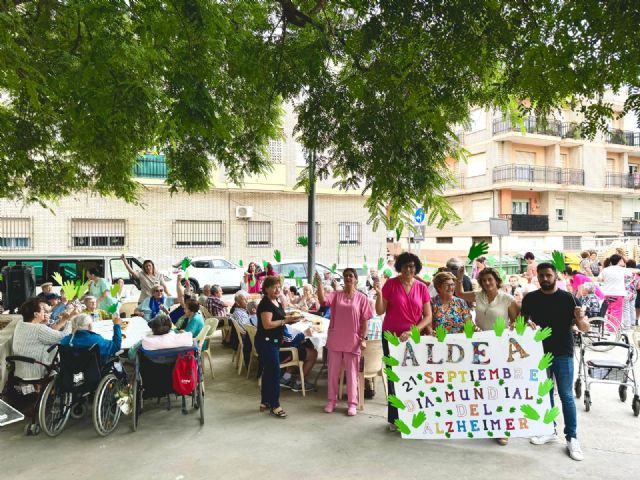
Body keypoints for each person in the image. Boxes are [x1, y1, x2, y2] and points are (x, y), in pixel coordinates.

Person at [521, 262, 590, 461]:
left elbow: (584, 327)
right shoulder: (531, 299)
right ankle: (549, 430)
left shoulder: (568, 298)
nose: (544, 279)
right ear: (537, 276)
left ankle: (572, 438)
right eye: (541, 275)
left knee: (567, 396)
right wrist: (527, 325)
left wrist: (580, 317)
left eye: (548, 275)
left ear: (555, 276)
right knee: (546, 394)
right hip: (539, 354)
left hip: (563, 352)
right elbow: (521, 323)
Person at [374, 252, 432, 431]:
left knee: (413, 377)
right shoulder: (391, 284)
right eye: (406, 266)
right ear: (400, 267)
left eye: (413, 267)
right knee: (394, 378)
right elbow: (379, 311)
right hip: (391, 338)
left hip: (413, 339)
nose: (409, 269)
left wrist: (413, 331)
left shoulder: (422, 288)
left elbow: (428, 316)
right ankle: (394, 418)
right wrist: (378, 294)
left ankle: (412, 415)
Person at [317, 268, 372, 416]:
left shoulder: (362, 298)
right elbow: (322, 300)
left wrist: (363, 339)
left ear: (356, 279)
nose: (348, 278)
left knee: (352, 374)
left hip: (353, 341)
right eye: (346, 276)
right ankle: (331, 401)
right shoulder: (336, 295)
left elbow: (365, 322)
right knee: (333, 373)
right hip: (335, 339)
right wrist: (319, 284)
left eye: (351, 276)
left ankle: (352, 404)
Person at [255, 276, 298, 418]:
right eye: (274, 287)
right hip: (266, 342)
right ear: (266, 289)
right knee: (274, 373)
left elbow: (279, 319)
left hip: (274, 341)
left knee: (268, 372)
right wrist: (285, 320)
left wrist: (289, 320)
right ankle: (275, 405)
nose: (277, 289)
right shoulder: (265, 304)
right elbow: (267, 324)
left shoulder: (277, 302)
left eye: (278, 287)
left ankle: (265, 401)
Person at [11, 298, 73, 380]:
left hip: (21, 371)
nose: (45, 313)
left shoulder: (20, 324)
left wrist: (42, 323)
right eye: (43, 310)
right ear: (36, 314)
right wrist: (69, 320)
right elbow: (64, 338)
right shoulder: (39, 329)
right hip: (37, 371)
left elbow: (46, 335)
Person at [128, 313, 194, 361]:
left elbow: (131, 354)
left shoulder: (146, 341)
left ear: (153, 329)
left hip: (150, 375)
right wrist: (183, 333)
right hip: (177, 374)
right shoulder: (184, 338)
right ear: (170, 327)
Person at [598, 254, 628, 331]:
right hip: (618, 293)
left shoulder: (605, 270)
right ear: (619, 260)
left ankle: (609, 326)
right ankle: (613, 329)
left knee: (610, 310)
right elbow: (632, 272)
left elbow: (600, 279)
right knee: (617, 311)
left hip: (607, 293)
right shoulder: (622, 270)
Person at [623, 259, 640, 329]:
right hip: (634, 292)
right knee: (632, 308)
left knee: (626, 308)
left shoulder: (625, 272)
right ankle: (633, 323)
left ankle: (627, 324)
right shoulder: (637, 273)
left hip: (626, 292)